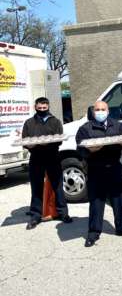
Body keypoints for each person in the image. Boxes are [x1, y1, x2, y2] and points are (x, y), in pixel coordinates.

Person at [76, 101, 122, 247]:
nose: (100, 112)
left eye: (103, 109)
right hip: (95, 168)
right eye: (97, 109)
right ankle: (94, 232)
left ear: (108, 111)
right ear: (93, 112)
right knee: (96, 201)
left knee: (119, 198)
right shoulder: (85, 128)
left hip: (114, 167)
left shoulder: (117, 125)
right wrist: (90, 150)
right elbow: (80, 149)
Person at [22, 97, 73, 230]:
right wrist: (30, 145)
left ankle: (63, 213)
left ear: (48, 107)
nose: (42, 110)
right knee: (36, 187)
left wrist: (47, 144)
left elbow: (59, 139)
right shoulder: (29, 123)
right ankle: (35, 215)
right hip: (36, 157)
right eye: (39, 108)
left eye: (44, 108)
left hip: (52, 156)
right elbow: (25, 140)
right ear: (35, 107)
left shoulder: (55, 121)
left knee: (57, 185)